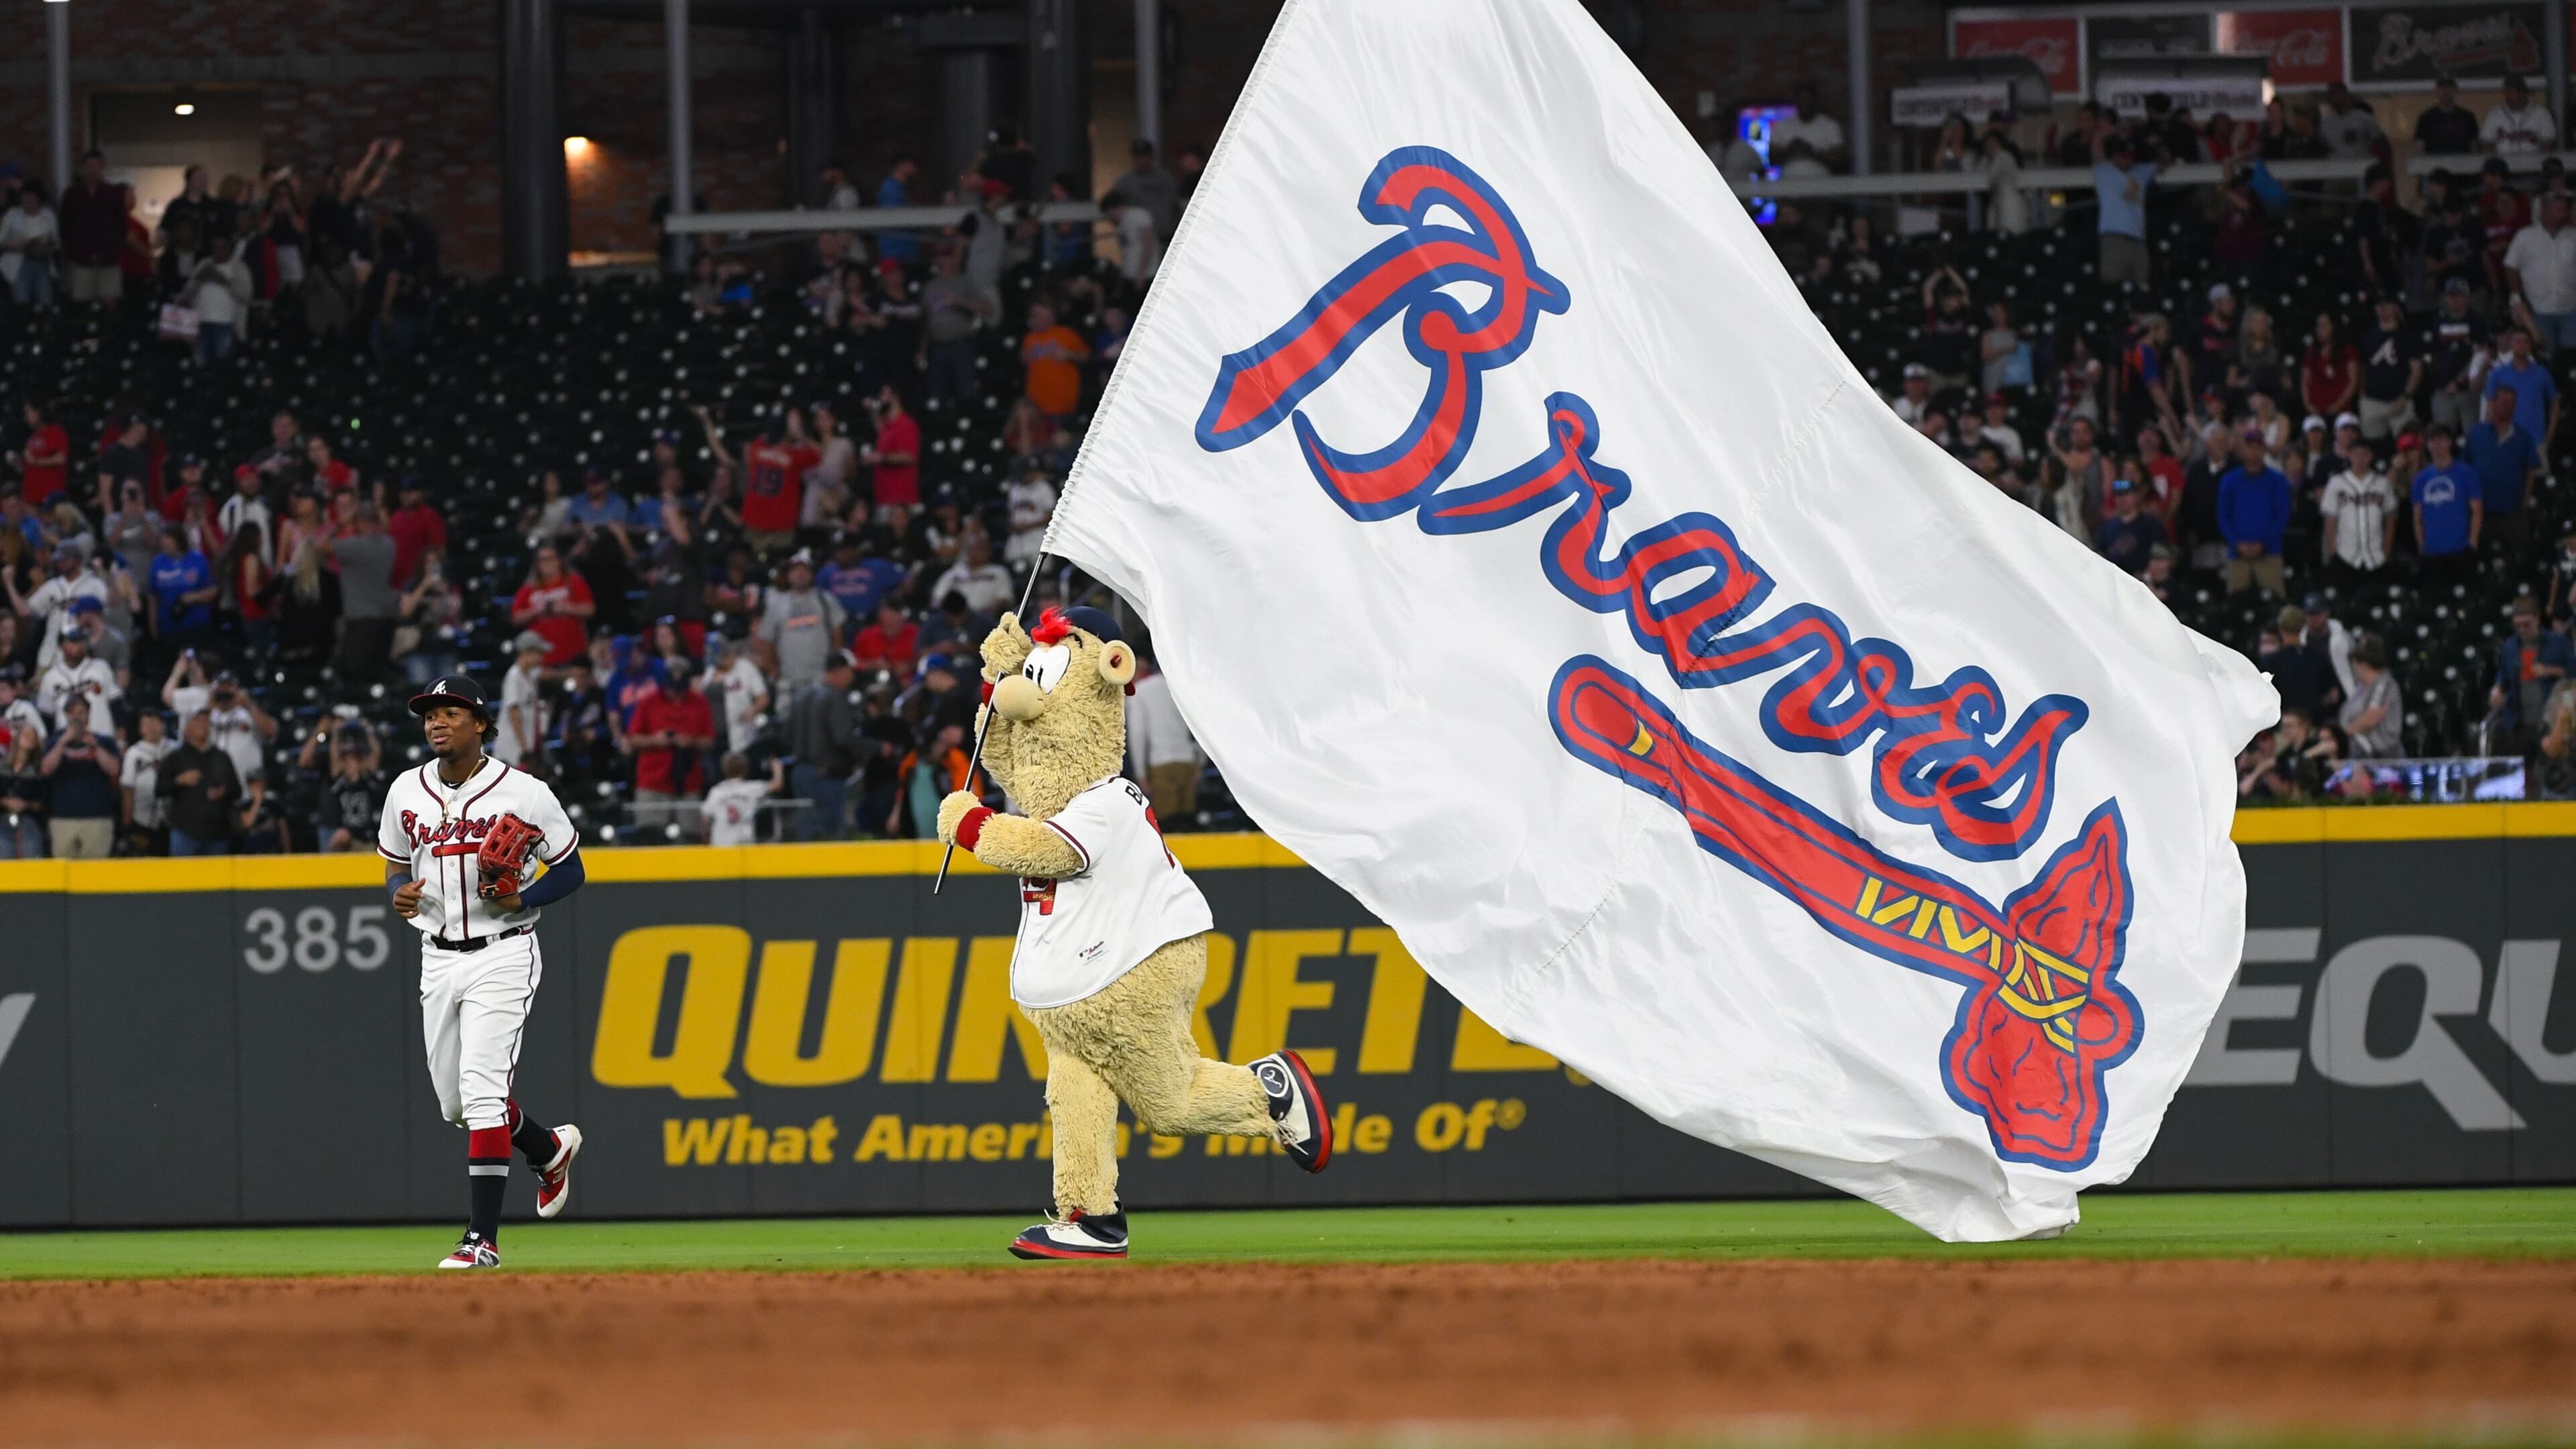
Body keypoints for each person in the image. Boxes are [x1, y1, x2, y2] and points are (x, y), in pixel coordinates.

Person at [380, 674, 588, 1270]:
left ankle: (482, 1241)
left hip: (504, 950)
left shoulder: (524, 792)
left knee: (483, 1091)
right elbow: (395, 863)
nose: (436, 723)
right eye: (430, 715)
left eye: (450, 712)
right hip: (438, 955)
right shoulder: (405, 791)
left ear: (480, 723)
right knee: (458, 1105)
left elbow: (571, 870)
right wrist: (400, 892)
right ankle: (548, 1149)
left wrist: (526, 898)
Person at [785, 651, 863, 841]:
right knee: (831, 839)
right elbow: (843, 738)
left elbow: (786, 735)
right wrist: (874, 749)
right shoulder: (835, 696)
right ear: (839, 671)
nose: (852, 677)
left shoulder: (800, 696)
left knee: (806, 837)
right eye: (849, 672)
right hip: (827, 775)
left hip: (800, 772)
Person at [1125, 648, 1201, 827]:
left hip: (1160, 764)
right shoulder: (1185, 688)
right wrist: (1200, 762)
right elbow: (1198, 725)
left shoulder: (1141, 691)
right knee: (1189, 825)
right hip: (1188, 761)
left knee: (1168, 827)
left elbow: (1137, 734)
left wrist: (1140, 773)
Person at [757, 552, 849, 700]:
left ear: (812, 574)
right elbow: (766, 641)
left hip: (823, 677)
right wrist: (774, 671)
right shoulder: (776, 605)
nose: (800, 574)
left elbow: (837, 634)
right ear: (788, 575)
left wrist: (835, 668)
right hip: (789, 679)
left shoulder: (826, 600)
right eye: (795, 570)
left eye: (804, 570)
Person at [2466, 386, 2542, 561]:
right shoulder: (2476, 434)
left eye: (2512, 403)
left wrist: (2524, 501)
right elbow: (2466, 470)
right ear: (2493, 404)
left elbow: (2530, 471)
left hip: (2513, 513)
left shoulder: (2523, 437)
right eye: (2504, 402)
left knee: (2519, 560)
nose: (2508, 406)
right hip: (2482, 513)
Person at [2493, 595, 2576, 753]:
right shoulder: (2510, 646)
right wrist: (2498, 689)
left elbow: (2573, 672)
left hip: (2552, 720)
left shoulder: (2558, 642)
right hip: (2520, 721)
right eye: (2518, 626)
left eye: (2527, 625)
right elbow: (2503, 675)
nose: (2522, 630)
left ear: (2537, 619)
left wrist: (2551, 670)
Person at [40, 696, 119, 859]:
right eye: (72, 712)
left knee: (94, 876)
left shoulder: (104, 741)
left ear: (88, 714)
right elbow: (46, 770)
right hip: (63, 818)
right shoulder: (54, 741)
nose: (76, 716)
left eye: (81, 712)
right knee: (63, 874)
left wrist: (95, 745)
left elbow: (113, 769)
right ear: (66, 716)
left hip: (97, 818)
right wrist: (63, 743)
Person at [623, 668, 714, 806]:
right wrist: (655, 740)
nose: (676, 694)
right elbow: (632, 739)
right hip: (652, 781)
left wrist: (690, 741)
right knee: (651, 827)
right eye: (672, 689)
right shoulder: (648, 702)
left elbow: (709, 741)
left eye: (680, 690)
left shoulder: (699, 702)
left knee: (689, 828)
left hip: (689, 781)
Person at [2216, 430, 2291, 595]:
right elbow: (2223, 516)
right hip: (2237, 555)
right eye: (2250, 447)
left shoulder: (2278, 481)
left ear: (2264, 449)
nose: (2254, 451)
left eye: (2258, 447)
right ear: (2243, 450)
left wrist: (2263, 544)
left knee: (2274, 602)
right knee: (2235, 604)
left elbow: (2282, 516)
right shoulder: (2230, 481)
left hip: (2270, 553)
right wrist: (2237, 544)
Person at [158, 709, 240, 857]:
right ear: (187, 728)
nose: (203, 725)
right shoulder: (176, 758)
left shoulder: (221, 757)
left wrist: (224, 791)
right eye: (198, 721)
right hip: (186, 832)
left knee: (217, 879)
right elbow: (159, 790)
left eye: (205, 721)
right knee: (185, 879)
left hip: (218, 833)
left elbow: (237, 790)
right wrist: (179, 781)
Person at [2504, 192, 2576, 353]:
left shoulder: (2573, 236)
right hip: (2538, 310)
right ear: (2545, 210)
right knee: (2545, 354)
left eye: (2566, 209)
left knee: (2571, 356)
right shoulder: (2525, 236)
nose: (2564, 213)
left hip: (2570, 308)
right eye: (2560, 209)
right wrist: (2516, 296)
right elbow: (2511, 267)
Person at [2413, 425, 2483, 588]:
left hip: (2460, 550)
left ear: (2449, 442)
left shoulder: (2466, 474)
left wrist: (2472, 544)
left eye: (2441, 440)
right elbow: (2417, 517)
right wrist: (2422, 547)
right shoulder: (2421, 479)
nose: (2437, 445)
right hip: (2432, 552)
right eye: (2432, 441)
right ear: (2427, 445)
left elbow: (2477, 511)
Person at [2320, 439, 2399, 584]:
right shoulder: (2337, 483)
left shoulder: (2382, 483)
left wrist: (2387, 551)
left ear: (2371, 456)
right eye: (2356, 453)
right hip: (2346, 556)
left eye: (2365, 454)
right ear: (2349, 456)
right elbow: (2330, 520)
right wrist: (2334, 552)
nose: (2360, 458)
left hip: (2376, 556)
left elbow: (2390, 519)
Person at [511, 545, 594, 667]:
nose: (547, 564)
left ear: (559, 561)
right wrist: (536, 611)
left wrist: (566, 608)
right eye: (542, 560)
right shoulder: (528, 589)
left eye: (550, 559)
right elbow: (516, 618)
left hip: (574, 656)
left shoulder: (573, 581)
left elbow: (590, 609)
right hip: (541, 660)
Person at [56, 150, 124, 303]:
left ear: (102, 168)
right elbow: (65, 224)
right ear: (83, 168)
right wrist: (72, 249)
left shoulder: (113, 193)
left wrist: (116, 245)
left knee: (110, 300)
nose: (93, 170)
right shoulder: (72, 194)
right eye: (90, 166)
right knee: (82, 300)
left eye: (97, 166)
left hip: (108, 256)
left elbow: (121, 224)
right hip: (82, 256)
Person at [2091, 133, 2156, 287]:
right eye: (2123, 156)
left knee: (2143, 285)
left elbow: (2162, 162)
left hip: (2138, 240)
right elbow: (2096, 152)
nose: (2128, 160)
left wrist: (2149, 144)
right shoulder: (2104, 172)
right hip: (2114, 239)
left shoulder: (2140, 173)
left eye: (2130, 156)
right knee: (2113, 285)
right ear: (2114, 157)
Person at [1020, 301, 1092, 421]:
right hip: (1036, 407)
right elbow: (1024, 360)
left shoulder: (1066, 334)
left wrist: (1069, 355)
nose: (1034, 318)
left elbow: (1087, 357)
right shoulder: (1029, 338)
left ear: (1050, 316)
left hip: (1061, 405)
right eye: (1033, 315)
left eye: (1038, 315)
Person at [704, 633, 771, 757]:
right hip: (715, 739)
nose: (719, 664)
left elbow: (763, 698)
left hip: (742, 735)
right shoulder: (710, 671)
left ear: (728, 654)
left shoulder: (746, 668)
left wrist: (753, 710)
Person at [117, 707, 170, 855]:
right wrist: (128, 825)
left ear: (163, 725)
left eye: (155, 723)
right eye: (146, 724)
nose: (151, 728)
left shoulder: (174, 749)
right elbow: (127, 789)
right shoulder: (134, 753)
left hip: (170, 819)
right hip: (141, 820)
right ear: (140, 729)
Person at [495, 630, 550, 768]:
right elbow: (514, 713)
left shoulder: (529, 677)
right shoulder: (514, 676)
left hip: (525, 746)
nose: (541, 658)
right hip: (512, 749)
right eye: (539, 653)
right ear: (527, 652)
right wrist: (525, 749)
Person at [1, 180, 59, 309]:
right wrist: (13, 243)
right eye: (25, 200)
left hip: (42, 262)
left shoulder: (48, 215)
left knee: (45, 300)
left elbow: (56, 242)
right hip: (19, 262)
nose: (28, 204)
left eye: (32, 200)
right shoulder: (12, 214)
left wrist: (48, 241)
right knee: (22, 302)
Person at [702, 751, 782, 847]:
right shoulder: (752, 789)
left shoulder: (716, 791)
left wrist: (705, 836)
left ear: (723, 769)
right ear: (746, 769)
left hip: (720, 842)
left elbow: (706, 817)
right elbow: (777, 784)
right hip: (744, 842)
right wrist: (777, 769)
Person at [2482, 73, 2557, 155]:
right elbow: (2486, 142)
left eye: (2511, 93)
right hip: (2503, 163)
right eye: (2506, 93)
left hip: (2534, 163)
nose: (2507, 96)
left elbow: (2549, 142)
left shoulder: (2541, 113)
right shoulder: (2495, 113)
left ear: (2522, 93)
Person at [2415, 74, 2479, 155]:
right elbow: (2419, 147)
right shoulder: (2426, 117)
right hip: (2434, 162)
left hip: (2462, 161)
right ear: (2437, 91)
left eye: (2449, 88)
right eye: (2443, 88)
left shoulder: (2468, 116)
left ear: (2456, 91)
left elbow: (2474, 145)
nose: (2446, 92)